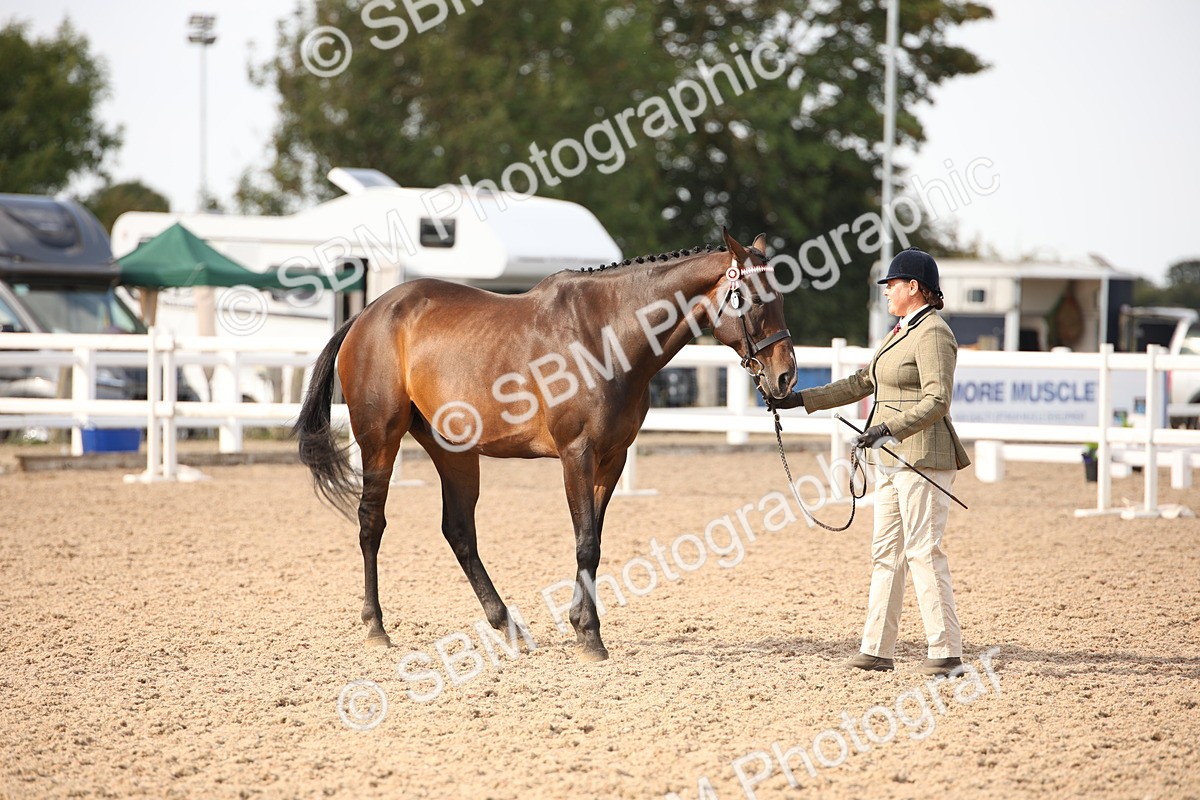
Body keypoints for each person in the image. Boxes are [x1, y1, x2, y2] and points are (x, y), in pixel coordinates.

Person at [775, 248, 971, 676]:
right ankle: (877, 649)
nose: (886, 292)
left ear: (913, 287)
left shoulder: (934, 333)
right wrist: (800, 400)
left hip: (923, 457)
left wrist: (887, 428)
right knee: (886, 553)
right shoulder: (900, 331)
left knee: (923, 551)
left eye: (892, 285)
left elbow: (938, 399)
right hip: (891, 459)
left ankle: (946, 652)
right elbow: (861, 382)